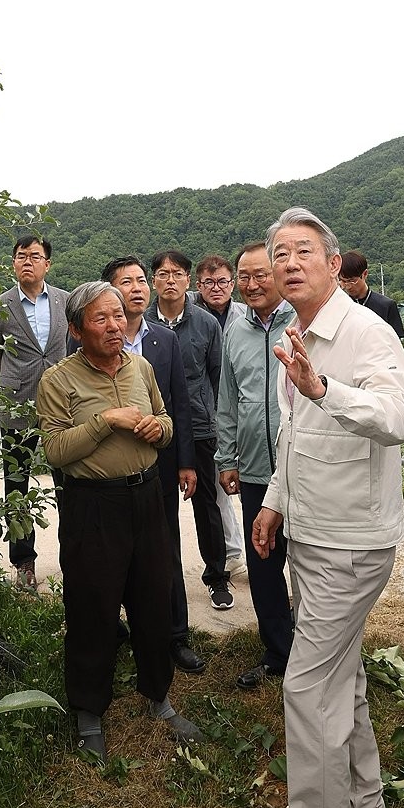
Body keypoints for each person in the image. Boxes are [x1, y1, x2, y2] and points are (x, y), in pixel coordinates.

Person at [252, 209, 404, 808]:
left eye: (302, 252)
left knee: (307, 688)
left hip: (352, 544)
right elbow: (296, 433)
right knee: (340, 681)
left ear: (333, 261)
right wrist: (274, 501)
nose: (288, 262)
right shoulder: (293, 332)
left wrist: (324, 388)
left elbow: (396, 417)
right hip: (311, 536)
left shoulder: (364, 331)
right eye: (278, 252)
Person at [35, 282, 203, 760]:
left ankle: (159, 697)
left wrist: (158, 428)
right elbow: (56, 451)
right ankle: (89, 710)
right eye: (100, 319)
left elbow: (167, 422)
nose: (114, 326)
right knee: (92, 607)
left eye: (117, 316)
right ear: (75, 329)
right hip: (92, 506)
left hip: (147, 497)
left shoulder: (141, 367)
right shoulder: (58, 381)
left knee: (153, 598)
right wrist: (107, 420)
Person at [102, 256, 205, 673]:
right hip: (108, 472)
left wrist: (186, 463)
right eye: (126, 282)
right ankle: (116, 629)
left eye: (141, 280)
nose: (138, 288)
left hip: (158, 467)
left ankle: (175, 635)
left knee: (166, 551)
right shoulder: (88, 341)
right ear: (109, 292)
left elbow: (179, 403)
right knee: (114, 555)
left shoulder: (164, 339)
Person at [215, 243, 296, 689]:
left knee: (307, 560)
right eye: (244, 276)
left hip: (301, 469)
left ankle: (315, 648)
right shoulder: (235, 331)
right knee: (263, 561)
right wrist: (226, 457)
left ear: (279, 274)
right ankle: (278, 652)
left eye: (260, 275)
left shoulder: (302, 322)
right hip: (253, 471)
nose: (251, 284)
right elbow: (228, 401)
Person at [145, 250, 234, 611]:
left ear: (187, 281)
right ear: (154, 280)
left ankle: (217, 577)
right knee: (154, 509)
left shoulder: (206, 324)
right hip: (151, 428)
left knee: (207, 505)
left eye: (177, 273)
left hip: (198, 426)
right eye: (163, 273)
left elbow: (218, 379)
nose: (170, 280)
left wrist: (219, 424)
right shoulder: (139, 321)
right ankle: (161, 582)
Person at [0, 236, 69, 590]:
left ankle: (75, 556)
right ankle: (23, 563)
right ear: (13, 263)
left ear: (47, 264)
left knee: (69, 483)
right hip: (16, 404)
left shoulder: (65, 301)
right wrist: (13, 380)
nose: (27, 262)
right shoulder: (0, 304)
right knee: (17, 484)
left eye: (35, 256)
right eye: (21, 257)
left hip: (61, 407)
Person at [195, 254, 248, 571]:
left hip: (247, 410)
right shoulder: (193, 316)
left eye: (223, 281)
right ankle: (231, 553)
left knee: (255, 487)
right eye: (209, 282)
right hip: (211, 414)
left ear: (233, 284)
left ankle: (262, 554)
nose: (217, 288)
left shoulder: (246, 314)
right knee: (218, 487)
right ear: (198, 285)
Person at [338, 250, 404, 337]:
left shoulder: (386, 305)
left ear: (365, 274)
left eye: (352, 281)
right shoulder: (339, 305)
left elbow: (395, 341)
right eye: (343, 281)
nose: (348, 286)